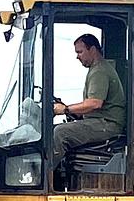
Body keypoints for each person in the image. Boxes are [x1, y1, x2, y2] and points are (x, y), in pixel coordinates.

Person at [52, 34, 126, 167]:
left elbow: (94, 103)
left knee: (60, 133)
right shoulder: (98, 69)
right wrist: (72, 111)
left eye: (80, 52)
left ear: (92, 50)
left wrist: (66, 109)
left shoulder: (100, 71)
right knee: (55, 130)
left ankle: (45, 175)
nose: (77, 56)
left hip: (107, 125)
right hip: (101, 122)